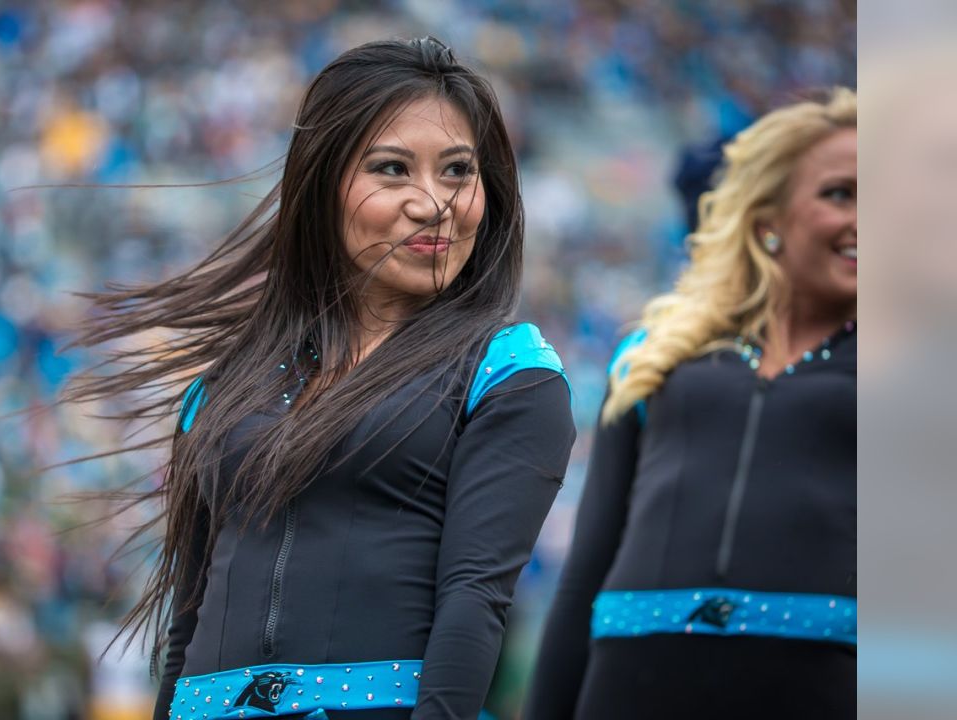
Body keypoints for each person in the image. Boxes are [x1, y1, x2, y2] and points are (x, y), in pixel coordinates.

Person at [69, 37, 576, 720]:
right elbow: (186, 625)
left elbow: (474, 604)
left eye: (459, 171)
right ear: (322, 186)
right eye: (393, 169)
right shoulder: (222, 391)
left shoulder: (508, 376)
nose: (434, 203)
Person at [524, 88, 856, 719]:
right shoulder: (654, 355)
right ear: (769, 217)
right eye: (840, 194)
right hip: (629, 686)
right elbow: (583, 576)